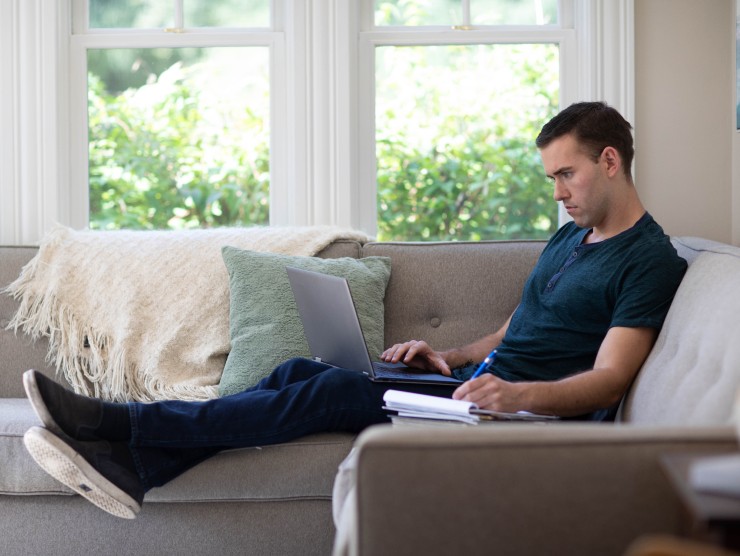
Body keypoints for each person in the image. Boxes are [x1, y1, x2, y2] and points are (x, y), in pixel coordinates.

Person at [22, 101, 687, 520]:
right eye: (551, 179)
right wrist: (450, 356)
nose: (559, 193)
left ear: (609, 161)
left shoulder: (649, 260)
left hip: (521, 419)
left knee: (335, 388)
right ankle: (134, 469)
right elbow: (525, 322)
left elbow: (610, 379)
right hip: (476, 390)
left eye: (566, 175)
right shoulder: (574, 236)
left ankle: (121, 425)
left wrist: (515, 395)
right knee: (297, 372)